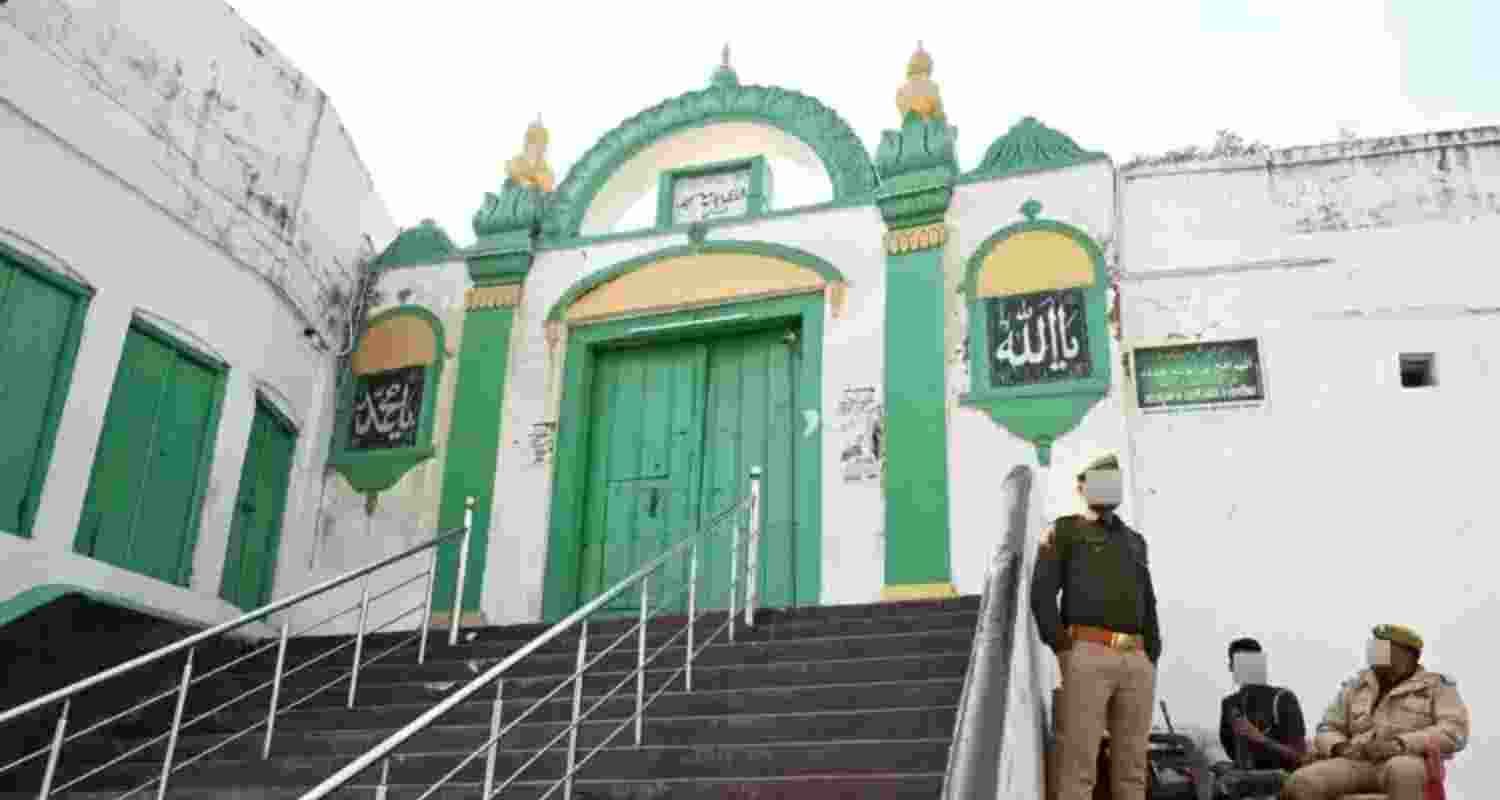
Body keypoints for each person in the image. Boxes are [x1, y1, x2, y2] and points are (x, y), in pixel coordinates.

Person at [1031, 453, 1161, 800]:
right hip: (1086, 653)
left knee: (1133, 767)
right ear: (1082, 487)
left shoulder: (1135, 540)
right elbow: (1042, 593)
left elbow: (1148, 601)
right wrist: (1062, 648)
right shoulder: (1064, 530)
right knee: (1079, 763)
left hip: (1136, 659)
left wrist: (1151, 654)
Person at [1284, 624, 1470, 800]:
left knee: (1403, 771)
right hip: (1356, 760)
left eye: (1384, 649)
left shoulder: (1436, 687)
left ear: (1408, 655)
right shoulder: (1356, 686)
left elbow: (1454, 732)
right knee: (1301, 782)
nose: (1375, 654)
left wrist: (1399, 744)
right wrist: (1339, 747)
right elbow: (1327, 727)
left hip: (1406, 759)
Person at [1212, 638, 1306, 799]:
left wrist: (1260, 739)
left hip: (1281, 784)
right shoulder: (1229, 704)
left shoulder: (1282, 698)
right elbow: (1235, 755)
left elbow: (1299, 756)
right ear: (1231, 667)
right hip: (1242, 783)